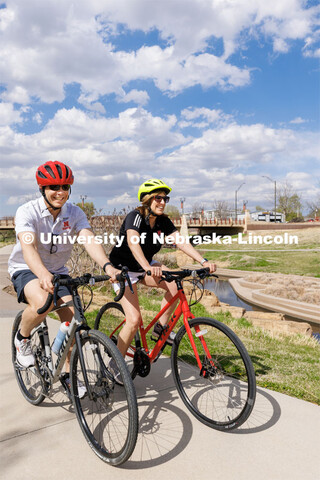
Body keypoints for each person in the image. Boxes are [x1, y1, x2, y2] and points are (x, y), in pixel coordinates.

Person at [9, 161, 119, 396]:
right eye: (54, 187)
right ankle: (23, 337)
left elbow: (88, 239)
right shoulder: (27, 211)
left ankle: (67, 373)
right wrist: (42, 274)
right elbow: (28, 247)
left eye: (65, 187)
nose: (60, 192)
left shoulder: (74, 212)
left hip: (59, 270)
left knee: (72, 324)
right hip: (26, 268)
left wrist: (107, 265)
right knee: (42, 303)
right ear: (42, 189)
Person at [109, 178, 216, 375]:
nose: (163, 202)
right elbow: (133, 243)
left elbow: (181, 242)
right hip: (123, 269)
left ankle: (160, 329)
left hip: (145, 266)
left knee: (174, 286)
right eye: (158, 198)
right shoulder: (135, 217)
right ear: (147, 200)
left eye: (165, 198)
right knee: (133, 321)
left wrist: (203, 262)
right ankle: (115, 364)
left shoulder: (163, 221)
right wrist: (146, 267)